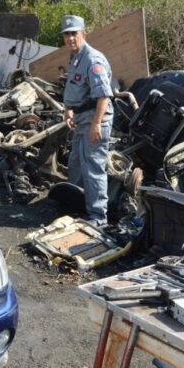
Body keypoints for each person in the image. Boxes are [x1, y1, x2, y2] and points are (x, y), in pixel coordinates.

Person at [60, 15, 114, 226]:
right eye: (67, 34)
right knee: (75, 166)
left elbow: (103, 96)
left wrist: (96, 124)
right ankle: (76, 208)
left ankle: (98, 218)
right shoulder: (75, 57)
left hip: (94, 121)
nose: (71, 38)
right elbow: (75, 89)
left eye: (74, 33)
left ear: (83, 34)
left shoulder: (93, 60)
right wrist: (68, 110)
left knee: (93, 169)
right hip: (81, 120)